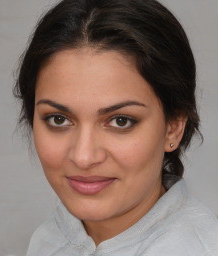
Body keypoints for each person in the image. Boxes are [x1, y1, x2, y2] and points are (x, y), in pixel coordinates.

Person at [14, 0, 218, 255]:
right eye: (59, 119)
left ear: (173, 128)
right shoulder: (49, 239)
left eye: (121, 121)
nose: (83, 157)